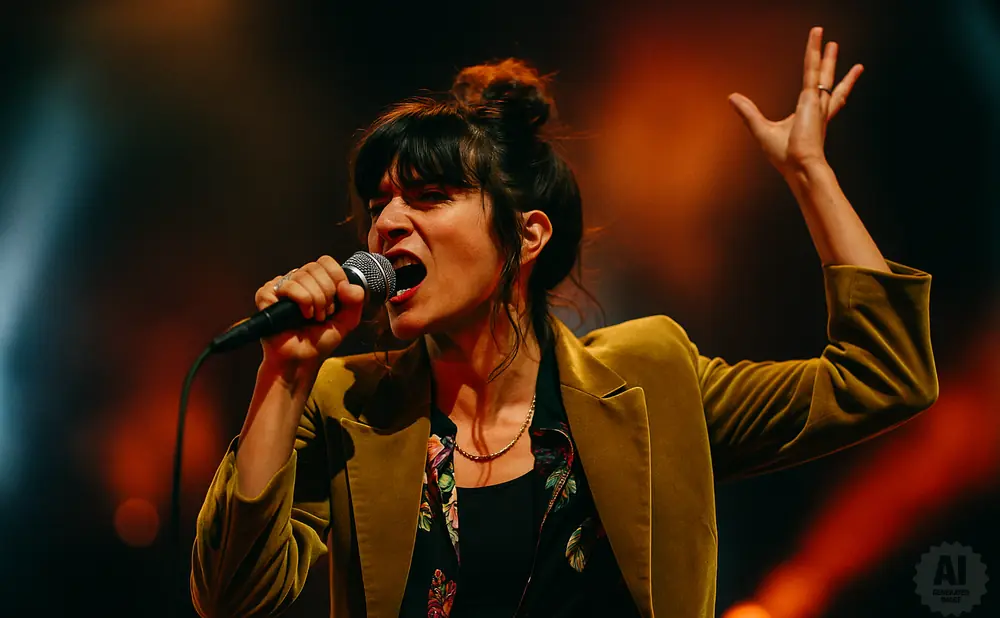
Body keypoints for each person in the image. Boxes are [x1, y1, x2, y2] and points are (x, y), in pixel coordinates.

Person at [190, 26, 938, 618]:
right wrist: (284, 371)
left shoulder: (652, 378)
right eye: (379, 201)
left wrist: (810, 173)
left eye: (428, 198)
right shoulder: (346, 404)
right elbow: (231, 597)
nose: (385, 223)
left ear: (528, 236)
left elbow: (885, 376)